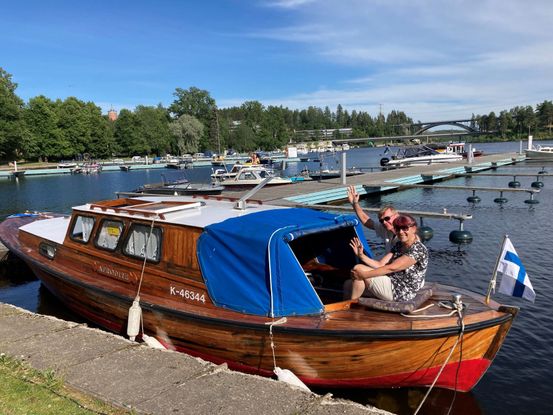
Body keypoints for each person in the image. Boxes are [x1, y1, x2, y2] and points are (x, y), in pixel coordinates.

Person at [348, 214, 428, 302]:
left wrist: (363, 275)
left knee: (358, 270)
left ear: (414, 229)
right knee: (348, 284)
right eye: (397, 229)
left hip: (402, 291)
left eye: (405, 228)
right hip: (393, 282)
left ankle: (350, 306)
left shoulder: (418, 249)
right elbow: (380, 264)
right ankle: (350, 305)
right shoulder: (399, 245)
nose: (401, 232)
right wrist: (361, 256)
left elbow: (392, 268)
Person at [347, 185, 399, 252]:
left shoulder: (406, 234)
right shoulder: (385, 228)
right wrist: (355, 203)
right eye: (381, 221)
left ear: (396, 216)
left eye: (387, 218)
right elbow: (367, 221)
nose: (384, 222)